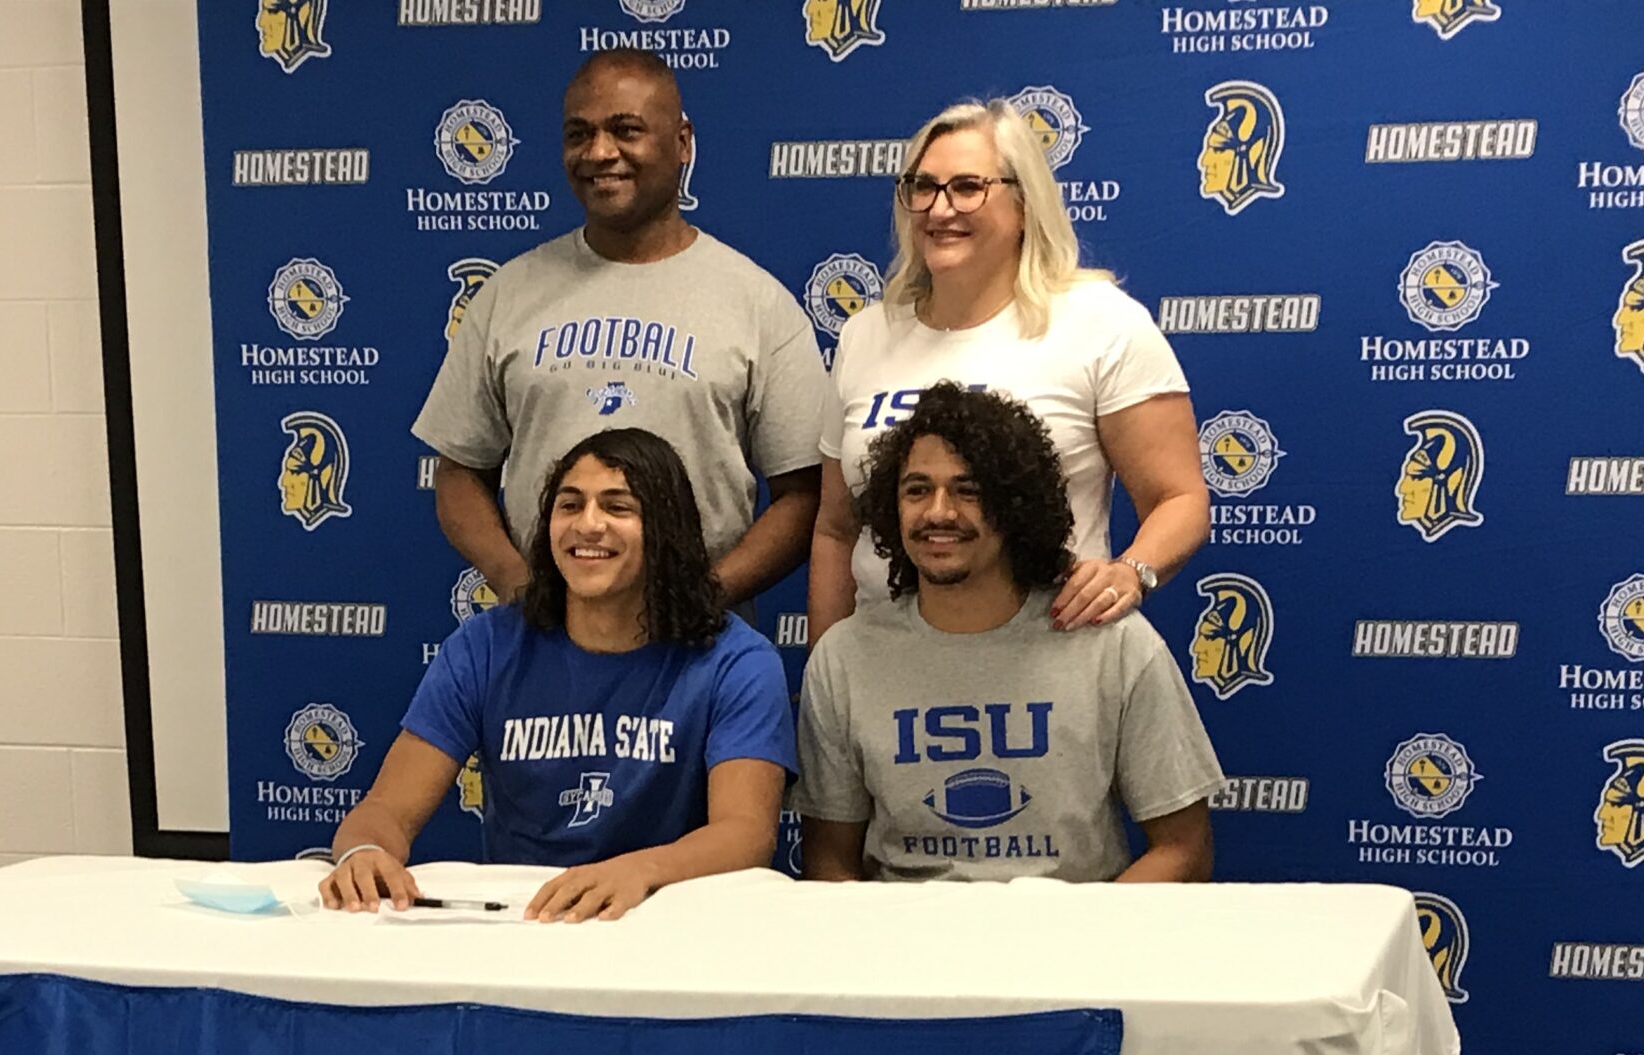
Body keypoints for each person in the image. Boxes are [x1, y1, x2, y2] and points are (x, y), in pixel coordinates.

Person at [321, 428, 792, 922]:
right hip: (526, 923)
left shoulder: (736, 660)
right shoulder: (485, 647)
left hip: (665, 920)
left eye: (617, 507)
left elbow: (745, 835)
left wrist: (638, 871)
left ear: (666, 529)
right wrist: (364, 853)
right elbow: (386, 809)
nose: (588, 525)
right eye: (569, 506)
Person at [415, 49, 826, 609]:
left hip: (697, 654)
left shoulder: (757, 303)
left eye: (625, 130)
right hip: (544, 647)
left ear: (682, 142)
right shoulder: (507, 295)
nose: (600, 153)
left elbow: (803, 495)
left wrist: (700, 601)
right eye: (579, 134)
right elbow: (460, 471)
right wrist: (519, 586)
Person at [807, 97, 1210, 642]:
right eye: (922, 187)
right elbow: (835, 529)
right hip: (889, 668)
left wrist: (1131, 572)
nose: (939, 209)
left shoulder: (1101, 323)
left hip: (1048, 660)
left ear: (1024, 204)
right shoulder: (866, 335)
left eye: (968, 187)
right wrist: (827, 670)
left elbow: (1179, 500)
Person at [796, 383, 1222, 885]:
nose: (938, 512)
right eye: (917, 489)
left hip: (1073, 944)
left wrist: (1082, 944)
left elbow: (1183, 851)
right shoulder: (844, 657)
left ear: (1016, 504)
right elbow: (829, 863)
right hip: (905, 946)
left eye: (968, 490)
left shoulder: (1112, 644)